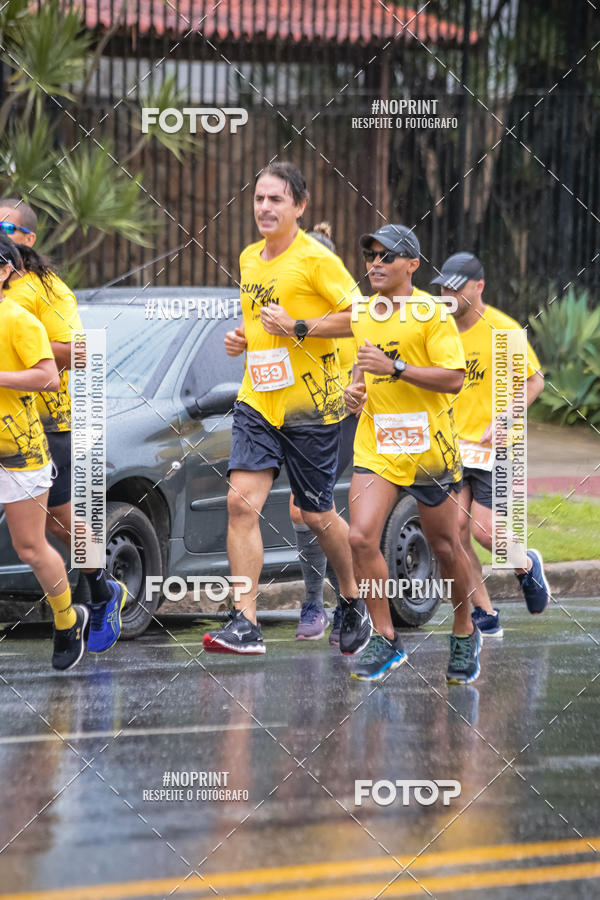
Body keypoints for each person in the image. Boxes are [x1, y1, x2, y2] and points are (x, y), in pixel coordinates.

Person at [203, 162, 364, 655]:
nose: (264, 207)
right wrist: (242, 339)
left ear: (300, 206)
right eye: (259, 198)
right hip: (258, 401)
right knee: (240, 503)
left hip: (311, 409)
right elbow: (260, 325)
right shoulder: (249, 259)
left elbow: (361, 317)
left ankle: (352, 598)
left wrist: (299, 326)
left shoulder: (316, 260)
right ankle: (246, 622)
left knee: (316, 515)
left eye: (275, 199)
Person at [345, 224, 480, 684]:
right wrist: (355, 390)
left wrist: (396, 368)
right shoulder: (363, 313)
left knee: (445, 547)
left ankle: (464, 628)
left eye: (387, 256)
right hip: (377, 444)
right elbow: (363, 367)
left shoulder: (431, 315)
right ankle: (385, 638)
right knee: (360, 538)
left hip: (429, 449)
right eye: (371, 255)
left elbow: (454, 377)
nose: (375, 263)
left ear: (412, 265)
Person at [0, 198, 127, 653]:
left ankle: (101, 588)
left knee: (58, 519)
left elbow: (80, 352)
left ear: (27, 239)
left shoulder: (46, 288)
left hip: (46, 419)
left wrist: (24, 346)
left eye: (5, 227)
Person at [431, 252, 548, 637]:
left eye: (456, 288)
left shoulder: (502, 329)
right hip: (452, 447)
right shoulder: (437, 329)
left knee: (485, 531)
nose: (448, 295)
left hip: (495, 448)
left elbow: (535, 381)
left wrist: (506, 418)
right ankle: (484, 612)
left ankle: (526, 565)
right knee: (455, 532)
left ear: (479, 287)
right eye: (443, 288)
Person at [0, 236, 88, 670]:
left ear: (5, 271)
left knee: (31, 547)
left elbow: (49, 378)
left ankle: (67, 619)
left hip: (19, 448)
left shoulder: (19, 320)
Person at [290, 222, 358, 643]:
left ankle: (321, 603)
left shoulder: (350, 313)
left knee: (308, 510)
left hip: (341, 420)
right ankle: (346, 602)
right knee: (312, 513)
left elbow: (376, 358)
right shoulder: (289, 311)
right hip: (297, 420)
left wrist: (361, 389)